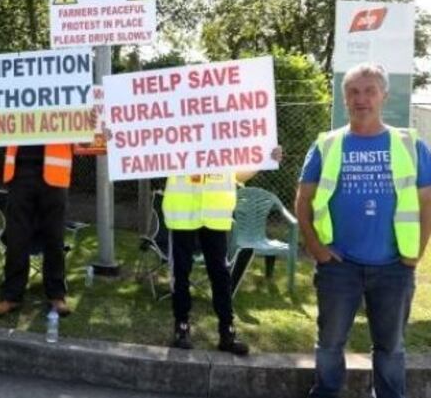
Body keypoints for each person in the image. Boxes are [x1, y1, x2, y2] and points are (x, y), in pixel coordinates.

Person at [296, 63, 431, 398]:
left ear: (384, 95)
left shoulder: (411, 146)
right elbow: (304, 199)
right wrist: (317, 249)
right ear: (344, 99)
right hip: (338, 267)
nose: (361, 99)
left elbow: (427, 203)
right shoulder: (327, 145)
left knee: (390, 348)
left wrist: (416, 254)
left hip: (394, 268)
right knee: (329, 343)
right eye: (353, 92)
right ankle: (326, 392)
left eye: (370, 90)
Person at [165, 147, 282, 356]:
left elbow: (237, 173)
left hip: (214, 216)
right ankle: (181, 326)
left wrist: (264, 160)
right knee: (181, 272)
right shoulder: (177, 125)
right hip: (183, 213)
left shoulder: (223, 129)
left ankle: (227, 331)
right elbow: (148, 155)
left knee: (220, 273)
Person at [0, 144, 73, 318]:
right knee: (16, 238)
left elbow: (83, 138)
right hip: (19, 173)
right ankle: (11, 296)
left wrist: (90, 129)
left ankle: (56, 295)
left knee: (54, 237)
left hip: (55, 174)